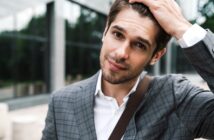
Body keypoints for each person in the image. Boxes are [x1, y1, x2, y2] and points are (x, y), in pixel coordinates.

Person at [42, 0, 214, 139]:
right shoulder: (61, 102)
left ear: (156, 55)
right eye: (117, 34)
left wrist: (183, 27)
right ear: (105, 32)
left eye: (139, 45)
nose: (121, 53)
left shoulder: (177, 98)